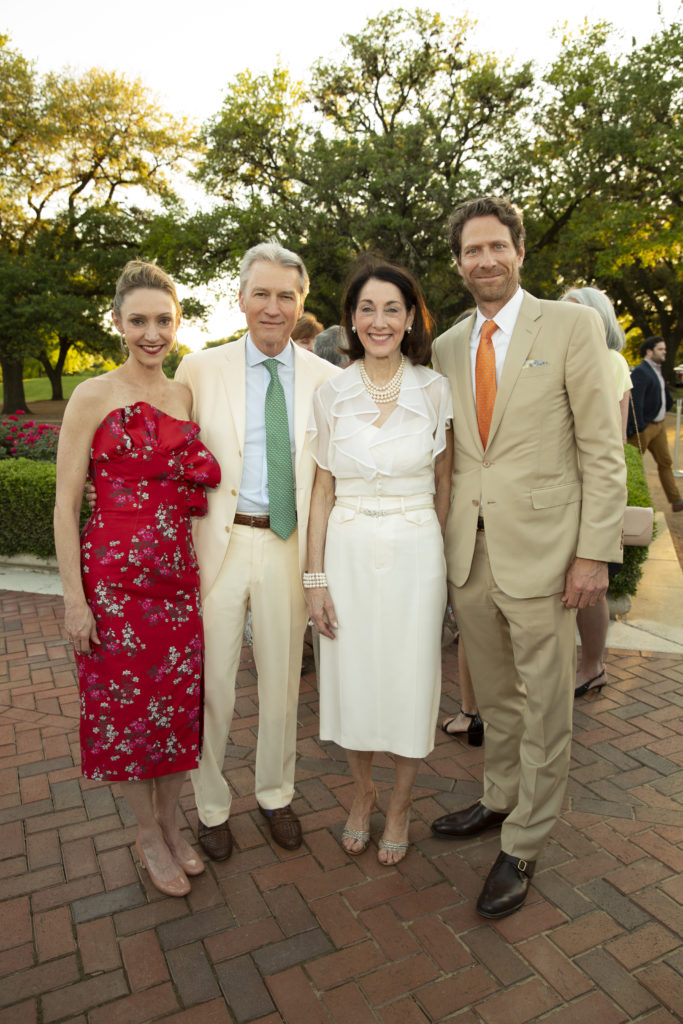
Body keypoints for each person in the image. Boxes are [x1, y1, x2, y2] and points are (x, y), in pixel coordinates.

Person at [430, 196, 626, 918]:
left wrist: (591, 555)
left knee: (545, 704)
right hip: (471, 555)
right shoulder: (448, 345)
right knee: (494, 694)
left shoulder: (571, 327)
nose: (484, 260)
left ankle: (525, 840)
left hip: (547, 556)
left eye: (495, 246)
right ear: (458, 264)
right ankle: (498, 797)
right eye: (470, 251)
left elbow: (600, 453)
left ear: (518, 251)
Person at [54, 260, 221, 898]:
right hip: (113, 585)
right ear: (118, 324)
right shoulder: (92, 395)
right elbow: (66, 505)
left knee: (178, 711)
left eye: (163, 321)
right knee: (127, 714)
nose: (152, 333)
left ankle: (174, 825)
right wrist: (76, 598)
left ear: (176, 324)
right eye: (139, 321)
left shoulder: (182, 393)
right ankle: (145, 834)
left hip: (176, 583)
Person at [175, 242, 339, 861]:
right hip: (217, 542)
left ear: (301, 304)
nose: (273, 307)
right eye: (262, 293)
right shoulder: (200, 368)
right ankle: (211, 807)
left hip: (285, 543)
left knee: (281, 681)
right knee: (213, 683)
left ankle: (275, 793)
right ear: (241, 298)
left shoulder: (328, 380)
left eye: (286, 296)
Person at [306, 259, 453, 866]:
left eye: (392, 308)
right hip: (347, 550)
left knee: (411, 679)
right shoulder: (331, 393)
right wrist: (314, 578)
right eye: (367, 308)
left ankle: (400, 803)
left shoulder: (434, 389)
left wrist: (432, 553)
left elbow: (445, 483)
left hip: (416, 550)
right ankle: (363, 794)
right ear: (351, 320)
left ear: (412, 316)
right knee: (354, 678)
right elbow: (320, 491)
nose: (379, 320)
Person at [562, 286, 632, 697]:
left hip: (591, 488)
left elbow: (613, 441)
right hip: (554, 487)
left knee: (590, 582)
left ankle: (592, 665)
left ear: (599, 319)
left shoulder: (611, 361)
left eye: (578, 315)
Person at [627, 337, 683, 512]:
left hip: (659, 426)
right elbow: (635, 403)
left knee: (665, 462)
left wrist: (668, 404)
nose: (664, 352)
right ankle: (630, 501)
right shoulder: (641, 372)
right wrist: (640, 426)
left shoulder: (657, 370)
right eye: (660, 349)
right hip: (645, 428)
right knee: (633, 464)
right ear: (649, 351)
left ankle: (676, 501)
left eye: (664, 349)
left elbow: (663, 394)